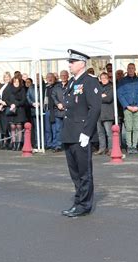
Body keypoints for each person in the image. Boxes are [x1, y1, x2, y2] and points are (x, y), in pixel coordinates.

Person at [60, 49, 101, 218]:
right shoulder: (71, 82)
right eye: (69, 62)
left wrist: (86, 132)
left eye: (72, 62)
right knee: (75, 172)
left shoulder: (89, 81)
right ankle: (78, 202)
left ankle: (84, 205)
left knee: (84, 172)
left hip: (81, 134)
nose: (69, 64)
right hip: (70, 133)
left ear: (82, 64)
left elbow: (95, 108)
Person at [117, 63, 138, 154]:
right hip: (127, 108)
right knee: (129, 128)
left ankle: (135, 145)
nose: (130, 70)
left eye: (132, 68)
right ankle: (129, 146)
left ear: (135, 69)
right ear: (127, 69)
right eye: (129, 68)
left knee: (136, 128)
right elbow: (120, 94)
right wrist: (127, 106)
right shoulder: (122, 81)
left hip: (137, 107)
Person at [95, 72, 114, 155]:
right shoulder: (98, 87)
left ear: (108, 78)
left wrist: (99, 97)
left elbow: (109, 98)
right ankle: (102, 148)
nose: (103, 80)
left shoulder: (111, 87)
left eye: (105, 78)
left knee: (109, 133)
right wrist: (101, 96)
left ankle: (111, 149)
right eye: (101, 78)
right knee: (100, 133)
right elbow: (93, 97)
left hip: (108, 113)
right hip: (98, 113)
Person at [51, 70, 70, 152]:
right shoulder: (57, 86)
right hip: (58, 111)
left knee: (68, 129)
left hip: (68, 111)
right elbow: (53, 96)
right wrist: (58, 104)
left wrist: (65, 105)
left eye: (65, 75)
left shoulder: (71, 85)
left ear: (68, 76)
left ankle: (68, 145)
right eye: (62, 75)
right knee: (58, 129)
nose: (63, 77)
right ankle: (58, 145)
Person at [7, 76, 27, 151]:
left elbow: (23, 100)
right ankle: (13, 143)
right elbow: (6, 99)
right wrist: (10, 104)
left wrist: (16, 104)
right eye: (15, 81)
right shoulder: (9, 89)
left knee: (19, 127)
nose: (16, 83)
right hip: (12, 110)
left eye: (17, 82)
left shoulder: (22, 89)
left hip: (19, 110)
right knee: (12, 127)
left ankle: (19, 143)